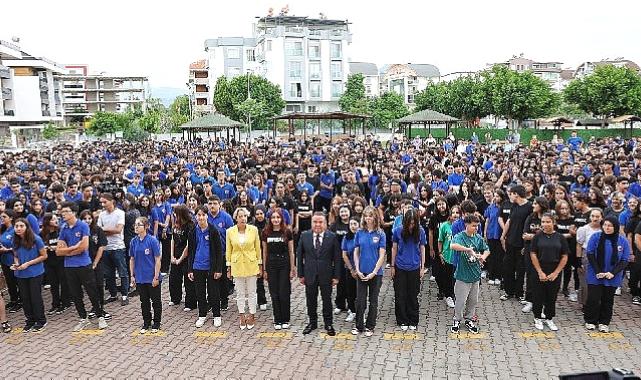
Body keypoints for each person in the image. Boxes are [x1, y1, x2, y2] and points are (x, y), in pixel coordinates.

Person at [56, 202, 108, 331]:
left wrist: (67, 251)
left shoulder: (83, 226)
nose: (63, 214)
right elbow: (58, 251)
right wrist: (73, 248)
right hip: (69, 266)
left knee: (92, 291)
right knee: (75, 293)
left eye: (66, 211)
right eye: (62, 212)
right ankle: (83, 318)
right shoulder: (64, 228)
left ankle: (100, 316)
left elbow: (84, 247)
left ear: (73, 212)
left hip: (84, 264)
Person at [584, 216, 631, 332]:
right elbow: (590, 254)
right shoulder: (596, 237)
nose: (607, 228)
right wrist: (598, 271)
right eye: (605, 225)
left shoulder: (622, 241)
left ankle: (604, 322)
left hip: (612, 275)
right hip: (595, 273)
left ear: (615, 227)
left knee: (608, 299)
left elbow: (624, 260)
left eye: (610, 226)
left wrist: (612, 273)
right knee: (593, 298)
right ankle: (590, 320)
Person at [297, 212, 341, 336]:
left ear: (325, 223)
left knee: (327, 300)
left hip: (326, 274)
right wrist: (301, 274)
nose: (317, 224)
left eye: (320, 222)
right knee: (311, 300)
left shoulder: (332, 237)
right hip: (309, 274)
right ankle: (312, 322)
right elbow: (299, 256)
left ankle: (328, 323)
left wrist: (336, 276)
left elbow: (337, 258)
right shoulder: (304, 236)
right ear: (311, 223)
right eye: (315, 222)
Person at [449, 214, 490, 334]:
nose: (476, 228)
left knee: (473, 300)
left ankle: (469, 319)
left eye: (477, 226)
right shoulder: (460, 236)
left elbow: (487, 249)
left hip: (475, 276)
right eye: (473, 226)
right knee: (460, 301)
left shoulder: (478, 238)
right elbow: (452, 245)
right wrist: (468, 249)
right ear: (466, 225)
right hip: (462, 276)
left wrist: (483, 256)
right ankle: (457, 319)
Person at [529, 213, 569, 331]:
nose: (545, 224)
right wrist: (540, 271)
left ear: (553, 222)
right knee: (538, 295)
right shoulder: (537, 237)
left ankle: (549, 318)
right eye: (543, 222)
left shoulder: (560, 238)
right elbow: (533, 253)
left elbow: (564, 255)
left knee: (551, 296)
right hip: (539, 268)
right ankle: (537, 317)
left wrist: (556, 272)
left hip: (554, 269)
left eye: (548, 222)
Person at [352, 206, 387, 337]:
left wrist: (374, 272)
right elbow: (356, 252)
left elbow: (382, 255)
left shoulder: (380, 234)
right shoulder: (359, 232)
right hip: (361, 272)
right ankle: (359, 326)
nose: (368, 218)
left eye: (370, 215)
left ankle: (370, 326)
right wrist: (357, 269)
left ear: (375, 217)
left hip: (375, 274)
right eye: (366, 215)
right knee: (360, 300)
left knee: (373, 301)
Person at [188, 205, 224, 328]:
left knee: (213, 292)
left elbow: (219, 251)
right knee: (200, 293)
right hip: (197, 266)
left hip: (211, 267)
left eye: (203, 215)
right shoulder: (193, 231)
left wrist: (218, 269)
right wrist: (190, 269)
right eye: (199, 215)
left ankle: (217, 315)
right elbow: (191, 250)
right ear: (195, 216)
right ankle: (202, 315)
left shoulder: (213, 230)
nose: (201, 217)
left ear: (207, 216)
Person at [226, 207, 262, 330]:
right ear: (236, 218)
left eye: (245, 216)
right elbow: (228, 251)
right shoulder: (230, 231)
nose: (243, 218)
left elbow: (258, 249)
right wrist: (228, 268)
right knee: (240, 293)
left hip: (251, 265)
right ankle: (241, 315)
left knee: (252, 292)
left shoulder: (254, 230)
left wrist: (260, 265)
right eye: (240, 216)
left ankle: (252, 315)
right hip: (237, 266)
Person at [391, 208, 426, 331]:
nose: (411, 226)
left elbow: (422, 249)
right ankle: (402, 320)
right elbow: (394, 248)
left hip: (414, 267)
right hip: (400, 267)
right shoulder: (397, 231)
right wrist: (392, 266)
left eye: (413, 223)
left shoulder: (421, 231)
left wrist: (422, 267)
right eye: (409, 223)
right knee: (400, 295)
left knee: (413, 295)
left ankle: (413, 320)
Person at [11, 218, 48, 332]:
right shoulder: (15, 240)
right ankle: (30, 320)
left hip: (35, 273)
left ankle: (41, 320)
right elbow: (16, 255)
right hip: (21, 273)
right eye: (16, 226)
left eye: (21, 226)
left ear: (27, 227)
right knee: (25, 298)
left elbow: (44, 256)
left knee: (35, 297)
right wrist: (16, 264)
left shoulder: (36, 239)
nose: (18, 228)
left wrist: (28, 263)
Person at [261, 208, 295, 330]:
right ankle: (277, 319)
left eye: (278, 217)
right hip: (271, 265)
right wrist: (264, 270)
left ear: (281, 219)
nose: (276, 220)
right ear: (270, 219)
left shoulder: (287, 232)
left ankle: (285, 319)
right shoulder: (265, 232)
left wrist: (292, 268)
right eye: (273, 217)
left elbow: (291, 251)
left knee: (283, 292)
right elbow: (264, 252)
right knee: (274, 293)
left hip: (284, 265)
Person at [129, 217, 162, 333]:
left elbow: (157, 259)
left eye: (139, 224)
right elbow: (132, 259)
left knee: (156, 301)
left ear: (146, 226)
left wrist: (156, 276)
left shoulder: (152, 241)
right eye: (135, 224)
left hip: (152, 277)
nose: (136, 227)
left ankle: (156, 323)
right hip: (140, 278)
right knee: (144, 302)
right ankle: (146, 322)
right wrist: (132, 275)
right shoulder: (133, 241)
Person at [97, 193, 130, 306]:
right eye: (101, 202)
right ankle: (113, 294)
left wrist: (104, 231)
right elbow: (98, 230)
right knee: (109, 274)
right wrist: (109, 230)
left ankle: (125, 295)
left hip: (118, 247)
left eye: (105, 202)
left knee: (122, 272)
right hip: (106, 247)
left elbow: (118, 229)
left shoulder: (120, 213)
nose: (103, 204)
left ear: (112, 201)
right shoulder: (101, 215)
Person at [79, 210, 111, 320]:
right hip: (84, 263)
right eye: (85, 219)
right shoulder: (79, 231)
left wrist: (95, 263)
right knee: (90, 287)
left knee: (99, 285)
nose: (87, 221)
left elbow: (101, 247)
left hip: (97, 262)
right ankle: (94, 307)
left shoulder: (97, 230)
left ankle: (101, 308)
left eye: (89, 218)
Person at [169, 205, 196, 311]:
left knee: (188, 280)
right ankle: (175, 298)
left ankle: (190, 303)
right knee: (174, 278)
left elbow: (189, 245)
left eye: (176, 213)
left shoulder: (190, 225)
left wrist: (180, 259)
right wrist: (172, 256)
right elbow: (173, 239)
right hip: (175, 255)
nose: (174, 215)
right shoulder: (175, 224)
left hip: (186, 257)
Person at [0, 209, 20, 313]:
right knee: (9, 282)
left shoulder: (14, 230)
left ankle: (20, 301)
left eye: (4, 217)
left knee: (16, 281)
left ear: (11, 218)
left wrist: (6, 249)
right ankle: (13, 300)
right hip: (4, 260)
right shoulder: (2, 230)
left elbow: (18, 246)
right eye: (1, 217)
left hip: (12, 259)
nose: (2, 219)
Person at [341, 217, 360, 323]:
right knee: (350, 292)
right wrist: (352, 269)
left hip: (361, 270)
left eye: (355, 223)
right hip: (350, 269)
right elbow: (344, 255)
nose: (353, 226)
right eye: (351, 224)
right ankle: (352, 311)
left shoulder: (362, 236)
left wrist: (358, 270)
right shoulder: (346, 238)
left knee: (360, 294)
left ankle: (361, 313)